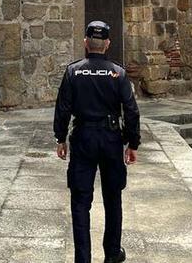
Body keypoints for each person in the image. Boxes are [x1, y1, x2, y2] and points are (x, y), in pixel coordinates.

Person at [54, 21, 141, 263]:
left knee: (81, 200)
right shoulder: (118, 73)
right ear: (108, 44)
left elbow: (62, 108)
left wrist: (60, 138)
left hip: (83, 138)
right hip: (111, 139)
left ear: (85, 43)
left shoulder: (74, 71)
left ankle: (83, 259)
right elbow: (132, 111)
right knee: (113, 197)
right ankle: (112, 252)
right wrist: (132, 144)